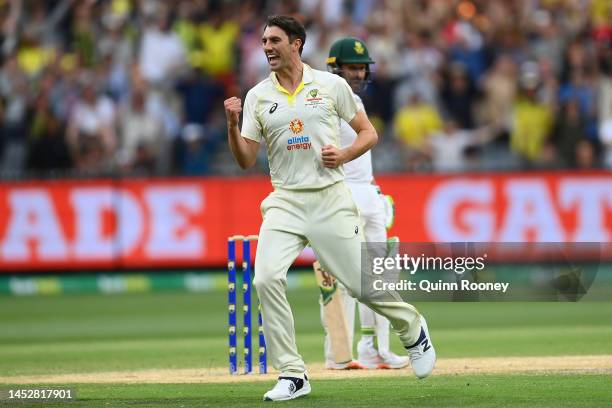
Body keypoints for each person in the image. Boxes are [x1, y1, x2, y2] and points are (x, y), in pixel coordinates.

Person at [223, 15, 435, 402]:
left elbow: (369, 133)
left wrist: (346, 153)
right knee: (265, 279)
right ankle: (293, 373)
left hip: (329, 199)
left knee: (358, 285)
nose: (267, 47)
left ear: (296, 43)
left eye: (275, 40)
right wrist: (232, 125)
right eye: (264, 41)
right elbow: (245, 159)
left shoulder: (331, 85)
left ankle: (412, 329)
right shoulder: (258, 96)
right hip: (285, 201)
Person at [321, 37, 409, 370]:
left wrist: (373, 189)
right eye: (351, 67)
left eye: (361, 67)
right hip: (342, 194)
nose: (358, 73)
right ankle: (338, 354)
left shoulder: (354, 99)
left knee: (380, 277)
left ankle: (374, 347)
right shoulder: (324, 99)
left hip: (367, 194)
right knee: (347, 278)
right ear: (336, 67)